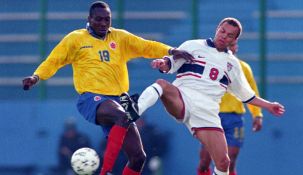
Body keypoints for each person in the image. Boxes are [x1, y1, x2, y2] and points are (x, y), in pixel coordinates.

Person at [22, 1, 194, 175]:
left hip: (120, 100)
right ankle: (105, 171)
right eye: (98, 19)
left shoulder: (120, 38)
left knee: (138, 157)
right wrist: (36, 77)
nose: (103, 23)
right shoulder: (76, 39)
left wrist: (171, 51)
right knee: (122, 115)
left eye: (107, 19)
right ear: (89, 19)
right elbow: (54, 61)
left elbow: (146, 46)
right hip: (92, 99)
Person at [121, 17, 285, 175]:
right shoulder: (193, 45)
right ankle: (135, 110)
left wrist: (269, 105)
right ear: (217, 29)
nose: (224, 36)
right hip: (183, 99)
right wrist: (162, 64)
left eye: (229, 35)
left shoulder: (234, 65)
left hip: (207, 113)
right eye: (222, 31)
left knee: (224, 163)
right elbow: (170, 64)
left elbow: (247, 96)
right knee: (162, 84)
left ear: (234, 40)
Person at [197, 41, 263, 175]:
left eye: (232, 45)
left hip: (234, 118)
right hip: (212, 117)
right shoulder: (210, 65)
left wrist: (257, 114)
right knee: (205, 160)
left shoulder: (243, 68)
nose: (229, 48)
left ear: (236, 47)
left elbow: (251, 93)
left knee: (231, 159)